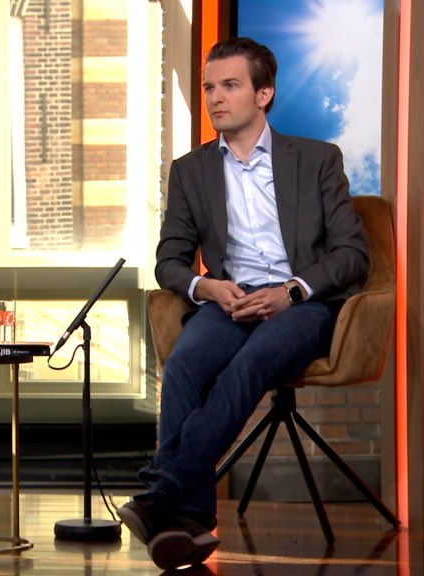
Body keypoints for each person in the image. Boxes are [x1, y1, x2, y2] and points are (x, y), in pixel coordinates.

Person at [119, 38, 370, 570]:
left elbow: (353, 254)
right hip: (228, 300)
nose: (215, 97)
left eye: (230, 85)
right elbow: (169, 261)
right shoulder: (191, 171)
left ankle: (162, 491)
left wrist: (291, 291)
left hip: (301, 306)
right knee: (184, 366)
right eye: (209, 86)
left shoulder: (317, 159)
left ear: (263, 94)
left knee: (249, 364)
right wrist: (208, 288)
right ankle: (190, 523)